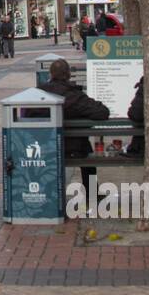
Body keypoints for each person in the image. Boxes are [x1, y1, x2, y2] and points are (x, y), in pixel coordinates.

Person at [38, 59, 110, 210]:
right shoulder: (75, 95)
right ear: (69, 75)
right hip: (75, 149)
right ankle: (92, 192)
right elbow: (102, 112)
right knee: (86, 148)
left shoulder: (40, 93)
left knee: (83, 145)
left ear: (50, 74)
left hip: (46, 147)